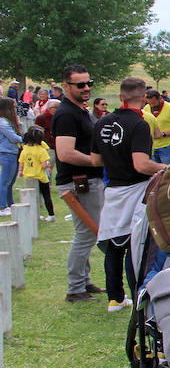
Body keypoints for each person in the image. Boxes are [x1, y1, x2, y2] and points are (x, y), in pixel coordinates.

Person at [92, 78, 163, 312]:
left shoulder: (102, 122)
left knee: (113, 246)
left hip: (112, 189)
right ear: (143, 99)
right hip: (136, 190)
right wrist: (167, 168)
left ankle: (114, 298)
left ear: (120, 97)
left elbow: (95, 160)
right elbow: (141, 164)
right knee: (137, 246)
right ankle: (137, 296)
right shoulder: (140, 125)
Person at [53, 64, 105, 303]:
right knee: (86, 235)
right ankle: (75, 288)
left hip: (85, 181)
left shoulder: (79, 110)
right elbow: (65, 153)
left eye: (89, 83)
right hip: (78, 183)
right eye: (80, 84)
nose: (86, 88)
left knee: (85, 234)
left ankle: (83, 282)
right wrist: (95, 162)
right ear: (66, 86)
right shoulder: (66, 114)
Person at [19, 127, 56, 220]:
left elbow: (21, 162)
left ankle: (34, 215)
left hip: (29, 176)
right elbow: (44, 165)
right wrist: (47, 165)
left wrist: (20, 171)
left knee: (32, 198)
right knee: (46, 196)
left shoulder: (25, 150)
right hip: (41, 177)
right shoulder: (41, 150)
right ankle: (51, 215)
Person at [143, 87, 170, 164]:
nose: (151, 106)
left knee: (167, 173)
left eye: (154, 103)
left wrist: (164, 134)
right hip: (152, 147)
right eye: (149, 103)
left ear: (159, 98)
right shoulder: (146, 108)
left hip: (167, 147)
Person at [0, 98, 20, 214]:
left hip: (12, 152)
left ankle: (10, 204)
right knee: (5, 181)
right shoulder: (2, 122)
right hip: (7, 153)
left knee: (10, 181)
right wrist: (24, 138)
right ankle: (2, 206)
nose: (15, 109)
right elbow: (14, 138)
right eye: (13, 107)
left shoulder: (7, 121)